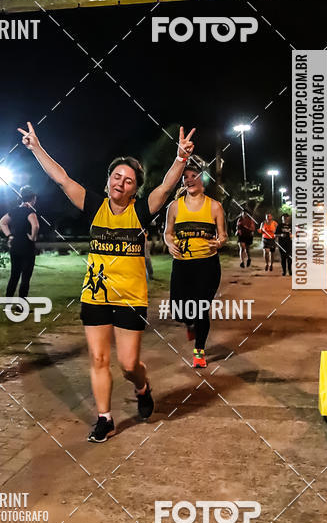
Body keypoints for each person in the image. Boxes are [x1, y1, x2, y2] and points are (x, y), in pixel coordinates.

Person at [17, 120, 195, 443]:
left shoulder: (141, 211)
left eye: (128, 181)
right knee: (99, 359)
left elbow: (166, 188)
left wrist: (180, 158)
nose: (121, 183)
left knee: (128, 364)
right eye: (117, 176)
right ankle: (105, 419)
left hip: (130, 297)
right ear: (108, 180)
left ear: (135, 189)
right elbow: (62, 179)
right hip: (95, 295)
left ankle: (142, 387)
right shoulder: (94, 206)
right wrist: (37, 149)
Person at [164, 157, 227, 368]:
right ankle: (189, 323)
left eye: (194, 176)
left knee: (200, 309)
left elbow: (223, 235)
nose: (189, 180)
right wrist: (170, 243)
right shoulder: (174, 207)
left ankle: (199, 351)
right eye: (185, 177)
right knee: (178, 311)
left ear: (203, 179)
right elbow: (168, 233)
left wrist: (219, 243)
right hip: (182, 266)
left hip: (207, 266)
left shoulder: (215, 206)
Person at [0, 186, 39, 298]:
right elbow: (35, 226)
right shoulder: (30, 212)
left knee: (14, 275)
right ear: (33, 198)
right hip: (27, 246)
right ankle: (21, 304)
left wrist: (9, 235)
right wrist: (33, 237)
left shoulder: (14, 211)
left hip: (15, 245)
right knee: (25, 277)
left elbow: (2, 222)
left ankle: (8, 301)